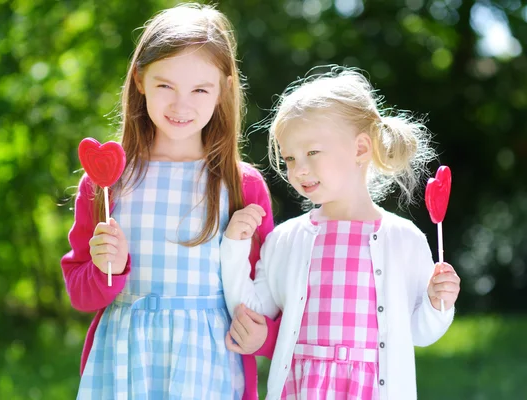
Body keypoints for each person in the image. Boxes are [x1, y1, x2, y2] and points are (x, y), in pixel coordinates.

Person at [60, 4, 275, 399]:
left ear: (224, 88)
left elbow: (268, 286)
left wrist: (263, 335)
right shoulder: (108, 182)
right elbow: (81, 292)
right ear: (140, 80)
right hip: (125, 360)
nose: (181, 105)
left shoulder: (241, 185)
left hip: (209, 363)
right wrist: (109, 267)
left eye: (199, 89)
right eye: (165, 86)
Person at [220, 66, 461, 400]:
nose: (298, 169)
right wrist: (233, 246)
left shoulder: (404, 240)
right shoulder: (286, 240)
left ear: (360, 149)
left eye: (312, 152)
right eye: (290, 158)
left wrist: (438, 303)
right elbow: (252, 309)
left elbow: (419, 332)